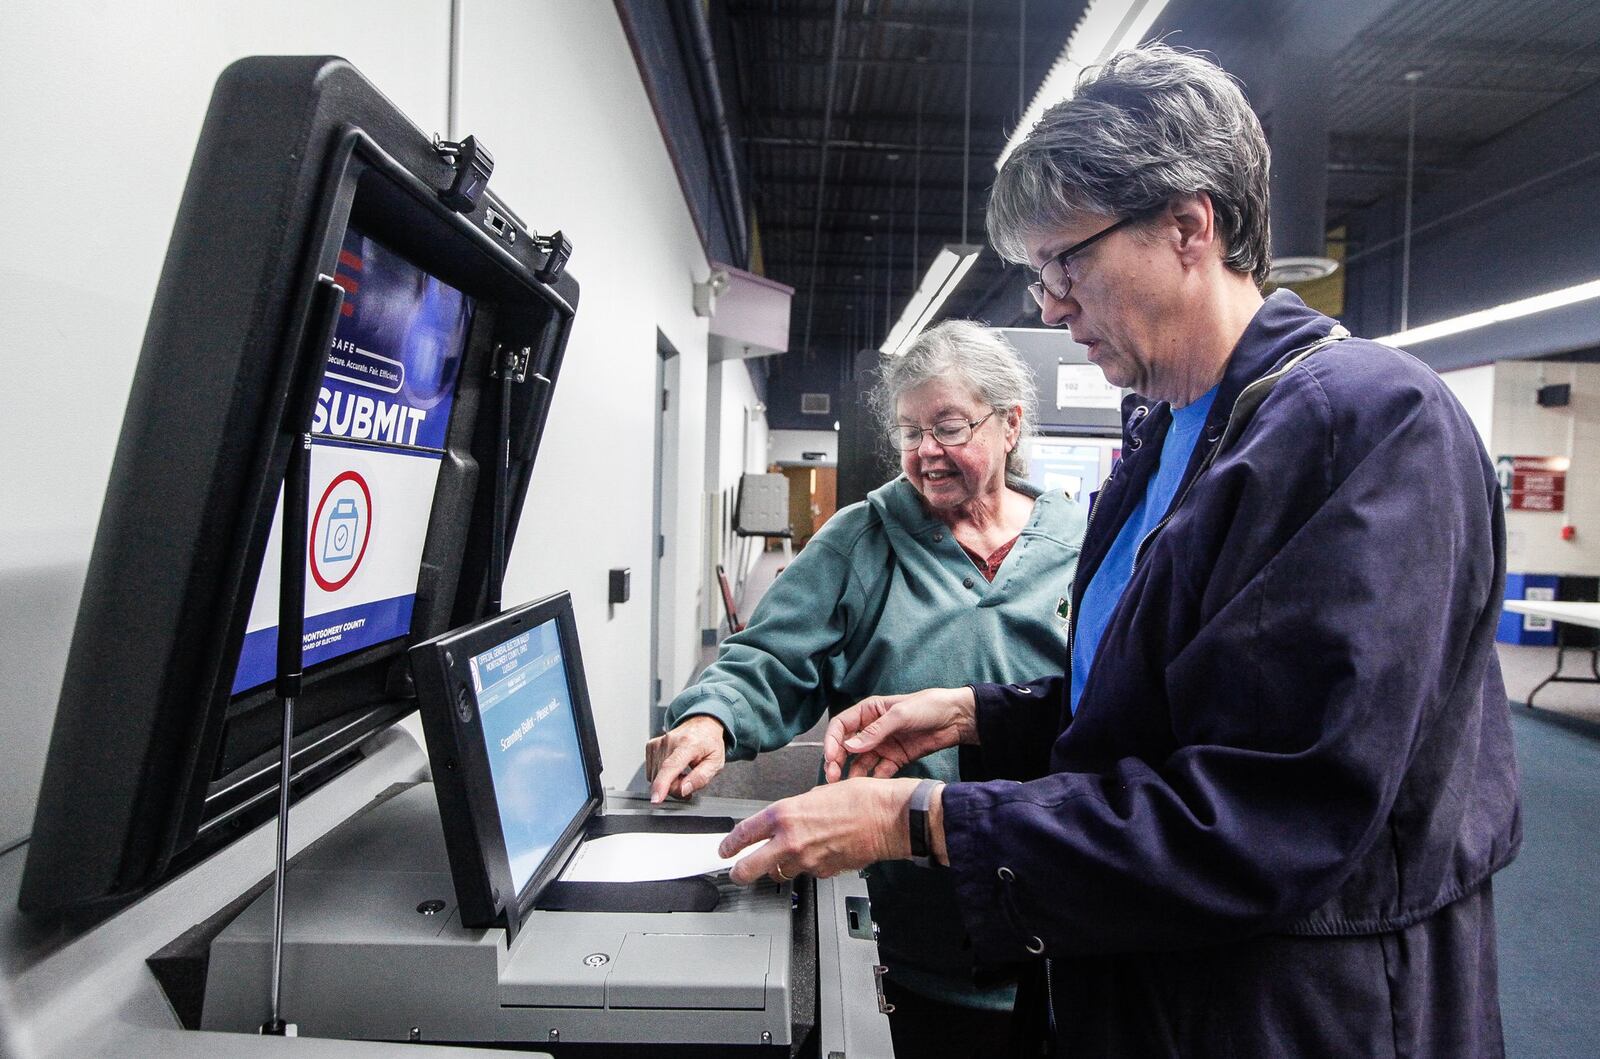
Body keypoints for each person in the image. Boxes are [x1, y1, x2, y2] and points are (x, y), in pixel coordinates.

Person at [716, 43, 1520, 1057]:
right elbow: (1178, 707)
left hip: (1296, 1007)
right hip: (1145, 978)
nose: (1048, 304)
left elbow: (1266, 811)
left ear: (1190, 226)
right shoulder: (1166, 435)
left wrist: (917, 819)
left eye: (1068, 261)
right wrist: (977, 713)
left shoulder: (1362, 426)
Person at [645, 320, 1087, 1056]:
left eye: (947, 426)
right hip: (912, 919)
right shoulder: (863, 538)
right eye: (910, 431)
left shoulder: (1083, 543)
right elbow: (772, 655)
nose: (924, 452)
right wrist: (713, 719)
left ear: (1011, 424)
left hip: (1062, 919)